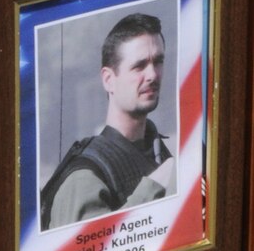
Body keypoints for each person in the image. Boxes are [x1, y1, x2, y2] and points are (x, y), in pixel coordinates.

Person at [40, 13, 176, 232]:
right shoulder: (84, 178)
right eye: (139, 66)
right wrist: (157, 184)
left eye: (158, 62)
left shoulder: (161, 152)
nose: (152, 74)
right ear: (108, 80)